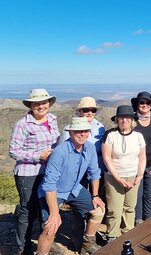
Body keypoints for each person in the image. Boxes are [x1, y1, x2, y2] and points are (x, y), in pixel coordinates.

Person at [36, 117, 105, 255]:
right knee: (51, 226)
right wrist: (55, 214)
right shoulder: (60, 152)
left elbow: (94, 173)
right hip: (55, 191)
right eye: (78, 131)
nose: (82, 134)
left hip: (74, 188)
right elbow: (50, 185)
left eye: (85, 131)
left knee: (99, 210)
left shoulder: (90, 148)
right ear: (71, 132)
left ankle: (87, 243)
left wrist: (95, 195)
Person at [9, 88, 61, 255]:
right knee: (28, 210)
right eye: (37, 103)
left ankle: (45, 241)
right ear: (30, 105)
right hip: (28, 173)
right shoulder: (23, 124)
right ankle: (23, 248)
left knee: (44, 209)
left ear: (49, 103)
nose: (41, 106)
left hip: (48, 172)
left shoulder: (53, 119)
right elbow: (14, 151)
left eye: (44, 102)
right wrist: (37, 156)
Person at [60, 96, 106, 250]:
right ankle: (77, 237)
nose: (89, 112)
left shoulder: (100, 127)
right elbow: (61, 154)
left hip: (95, 173)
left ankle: (89, 238)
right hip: (75, 175)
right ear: (79, 111)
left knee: (94, 204)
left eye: (92, 109)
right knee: (78, 208)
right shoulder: (69, 129)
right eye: (86, 109)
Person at [102, 105, 146, 242]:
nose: (124, 120)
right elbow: (107, 158)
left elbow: (142, 157)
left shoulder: (138, 136)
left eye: (127, 117)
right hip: (113, 176)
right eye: (121, 117)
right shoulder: (110, 135)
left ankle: (128, 232)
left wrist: (140, 175)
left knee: (130, 207)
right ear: (117, 119)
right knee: (114, 208)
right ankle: (113, 235)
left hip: (133, 176)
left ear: (132, 120)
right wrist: (117, 177)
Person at [131, 92, 151, 224]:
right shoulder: (132, 120)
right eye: (142, 102)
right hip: (135, 165)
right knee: (137, 195)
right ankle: (138, 219)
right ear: (137, 105)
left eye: (147, 103)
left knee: (150, 194)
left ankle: (148, 219)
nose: (145, 105)